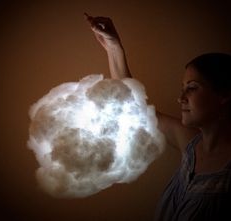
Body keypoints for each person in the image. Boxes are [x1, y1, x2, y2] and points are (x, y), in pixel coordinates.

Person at [85, 13, 231, 220]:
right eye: (183, 88)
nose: (180, 98)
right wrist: (114, 47)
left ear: (224, 95)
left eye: (192, 88)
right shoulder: (190, 143)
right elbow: (135, 107)